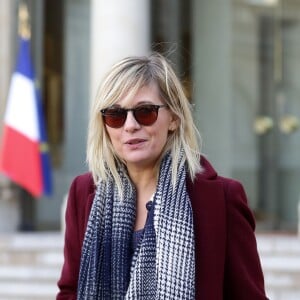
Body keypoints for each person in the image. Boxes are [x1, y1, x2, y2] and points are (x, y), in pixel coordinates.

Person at [57, 52, 269, 299]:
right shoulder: (84, 192)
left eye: (145, 112)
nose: (130, 125)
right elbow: (70, 290)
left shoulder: (222, 199)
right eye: (115, 115)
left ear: (174, 119)